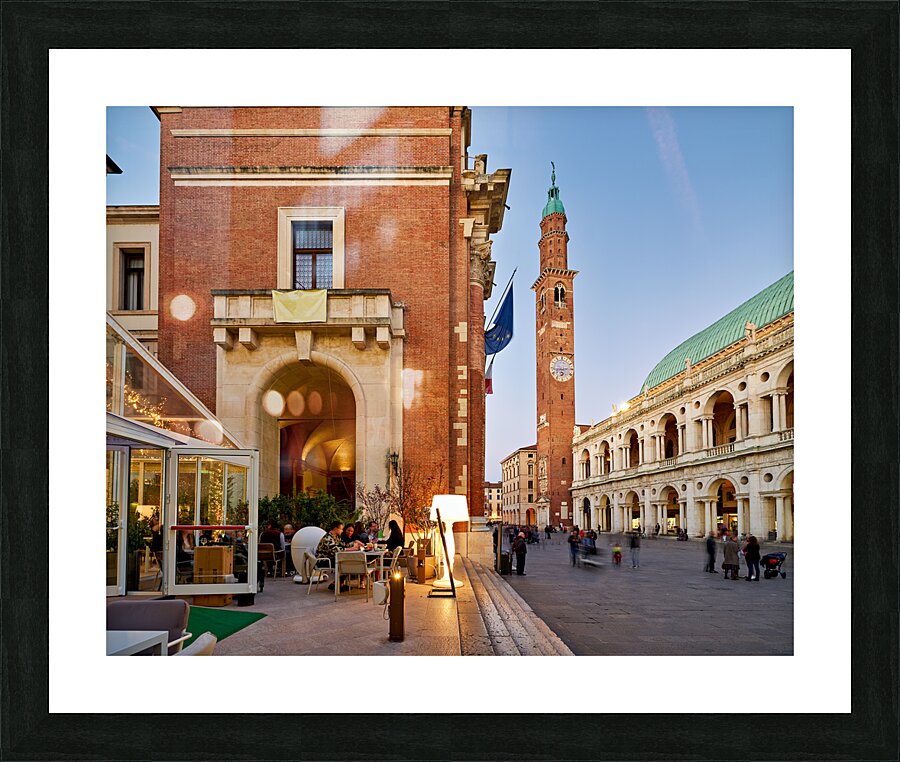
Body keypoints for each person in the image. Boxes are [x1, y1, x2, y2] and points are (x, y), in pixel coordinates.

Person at [316, 521, 351, 592]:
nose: (342, 531)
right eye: (341, 529)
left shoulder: (335, 537)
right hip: (324, 561)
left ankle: (338, 583)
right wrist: (351, 549)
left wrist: (354, 544)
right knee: (346, 563)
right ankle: (337, 584)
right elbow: (335, 550)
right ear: (335, 528)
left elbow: (343, 545)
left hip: (331, 559)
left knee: (348, 562)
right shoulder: (327, 538)